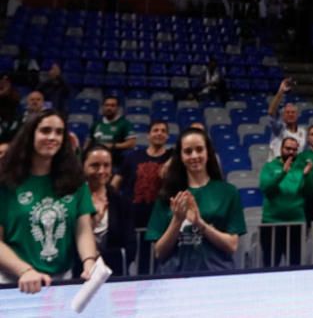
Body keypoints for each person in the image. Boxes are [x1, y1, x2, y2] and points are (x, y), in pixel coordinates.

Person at [0, 110, 99, 293]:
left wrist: (89, 261)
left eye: (59, 132)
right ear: (30, 135)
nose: (52, 137)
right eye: (45, 130)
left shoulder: (75, 181)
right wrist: (25, 270)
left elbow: (83, 230)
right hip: (15, 281)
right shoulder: (5, 182)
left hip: (61, 281)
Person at [146, 127, 246, 272]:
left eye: (199, 149)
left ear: (208, 153)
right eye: (188, 151)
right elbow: (159, 252)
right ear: (180, 156)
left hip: (216, 275)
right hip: (175, 278)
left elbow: (232, 246)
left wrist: (200, 224)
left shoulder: (228, 192)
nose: (194, 156)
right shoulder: (168, 194)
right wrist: (177, 220)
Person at [113, 119, 171, 274]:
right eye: (155, 130)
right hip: (133, 219)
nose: (159, 133)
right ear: (148, 135)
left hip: (159, 221)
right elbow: (116, 182)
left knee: (157, 265)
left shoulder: (172, 157)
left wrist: (171, 160)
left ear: (168, 136)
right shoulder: (133, 156)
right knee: (135, 263)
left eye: (163, 131)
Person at [80, 144, 133, 277]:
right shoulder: (73, 199)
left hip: (113, 272)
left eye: (106, 165)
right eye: (95, 165)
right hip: (78, 270)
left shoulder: (120, 201)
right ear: (83, 166)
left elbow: (130, 245)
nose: (101, 171)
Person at [259, 137, 312, 266]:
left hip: (296, 224)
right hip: (272, 224)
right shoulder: (269, 167)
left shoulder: (300, 168)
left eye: (294, 150)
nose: (291, 152)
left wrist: (306, 176)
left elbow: (306, 192)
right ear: (281, 149)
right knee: (270, 266)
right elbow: (266, 188)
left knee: (295, 266)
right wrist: (282, 173)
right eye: (288, 148)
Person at [89, 95, 136, 171]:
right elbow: (89, 141)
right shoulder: (97, 124)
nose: (109, 108)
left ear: (117, 108)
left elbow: (132, 143)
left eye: (112, 105)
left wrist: (113, 146)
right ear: (103, 107)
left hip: (116, 161)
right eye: (107, 105)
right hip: (97, 159)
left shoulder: (124, 123)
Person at [267, 79, 305, 160]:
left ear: (297, 115)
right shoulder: (279, 128)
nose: (290, 114)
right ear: (283, 116)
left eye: (293, 112)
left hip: (294, 169)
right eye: (287, 112)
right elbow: (271, 112)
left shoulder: (303, 132)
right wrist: (280, 92)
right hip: (276, 168)